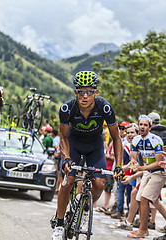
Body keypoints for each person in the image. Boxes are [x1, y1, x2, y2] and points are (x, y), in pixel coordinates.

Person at [52, 71, 123, 240]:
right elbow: (63, 137)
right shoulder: (67, 108)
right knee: (68, 181)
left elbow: (116, 138)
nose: (85, 96)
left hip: (94, 146)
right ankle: (59, 224)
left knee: (99, 184)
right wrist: (67, 157)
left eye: (89, 91)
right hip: (73, 145)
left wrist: (118, 165)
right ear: (75, 92)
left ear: (95, 93)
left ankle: (85, 208)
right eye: (81, 91)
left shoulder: (104, 107)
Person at [127, 114, 165, 238]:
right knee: (139, 198)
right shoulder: (136, 140)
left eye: (145, 125)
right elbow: (134, 156)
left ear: (150, 127)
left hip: (159, 172)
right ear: (138, 126)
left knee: (144, 198)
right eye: (141, 124)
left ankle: (143, 230)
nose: (142, 127)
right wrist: (133, 162)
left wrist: (140, 167)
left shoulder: (156, 139)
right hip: (147, 172)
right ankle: (144, 229)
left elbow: (158, 163)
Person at [111, 123, 139, 219]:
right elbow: (130, 163)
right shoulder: (126, 145)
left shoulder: (140, 144)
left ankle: (136, 216)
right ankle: (127, 214)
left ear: (137, 133)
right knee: (125, 192)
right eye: (128, 133)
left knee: (135, 195)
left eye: (132, 132)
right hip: (130, 172)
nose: (130, 134)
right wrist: (120, 169)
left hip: (140, 173)